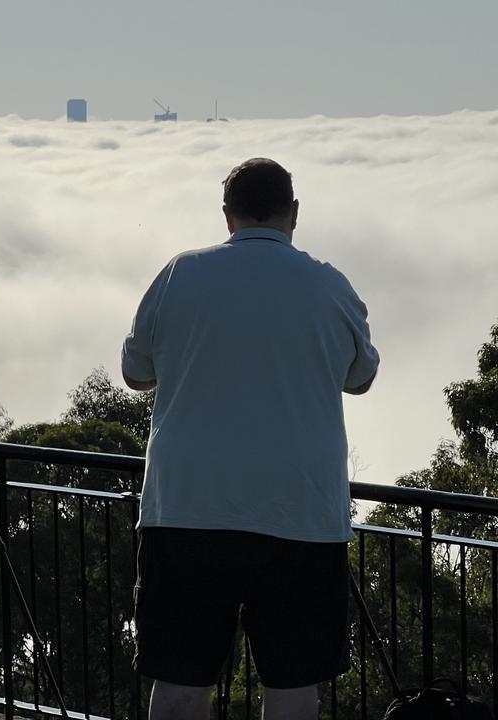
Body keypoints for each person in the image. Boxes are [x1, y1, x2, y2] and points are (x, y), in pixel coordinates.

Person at [121, 158, 379, 720]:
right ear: (294, 213)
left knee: (181, 680)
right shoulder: (330, 285)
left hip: (187, 507)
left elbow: (136, 373)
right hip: (300, 512)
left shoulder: (178, 275)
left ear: (227, 215)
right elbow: (360, 378)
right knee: (291, 685)